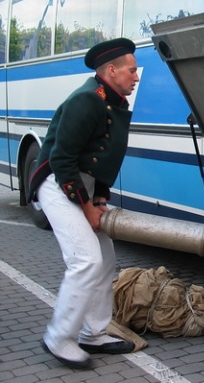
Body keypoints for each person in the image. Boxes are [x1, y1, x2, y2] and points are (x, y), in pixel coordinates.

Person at [28, 38, 140, 369]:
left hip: (81, 186)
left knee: (104, 259)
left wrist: (99, 198)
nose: (136, 77)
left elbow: (103, 159)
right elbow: (62, 159)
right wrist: (87, 206)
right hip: (57, 185)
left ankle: (94, 334)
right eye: (132, 71)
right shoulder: (87, 100)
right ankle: (58, 337)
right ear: (111, 70)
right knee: (86, 261)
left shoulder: (110, 101)